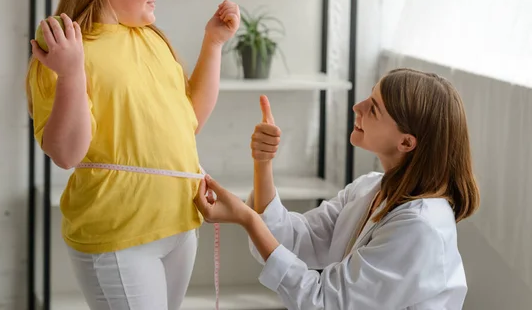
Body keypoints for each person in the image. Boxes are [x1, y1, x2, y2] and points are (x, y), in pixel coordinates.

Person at [26, 0, 239, 310]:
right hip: (119, 231)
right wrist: (72, 72)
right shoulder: (67, 51)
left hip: (179, 224)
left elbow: (189, 120)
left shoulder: (151, 39)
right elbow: (66, 153)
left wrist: (213, 43)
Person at [194, 68, 481, 310]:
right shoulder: (370, 188)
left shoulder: (420, 227)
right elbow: (293, 240)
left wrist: (248, 218)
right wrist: (263, 163)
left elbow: (324, 301)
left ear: (406, 143)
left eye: (374, 108)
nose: (358, 107)